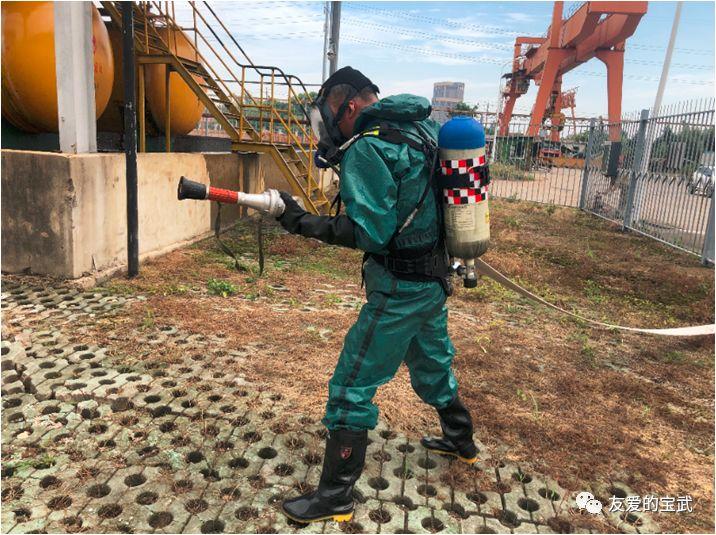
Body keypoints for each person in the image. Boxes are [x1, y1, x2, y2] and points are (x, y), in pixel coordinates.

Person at [276, 66, 477, 524]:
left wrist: (298, 220)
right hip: (433, 281)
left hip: (399, 289)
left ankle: (335, 496)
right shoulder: (422, 130)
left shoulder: (368, 148)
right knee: (432, 364)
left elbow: (370, 232)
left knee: (352, 385)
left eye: (327, 116)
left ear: (348, 106)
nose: (326, 129)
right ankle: (461, 439)